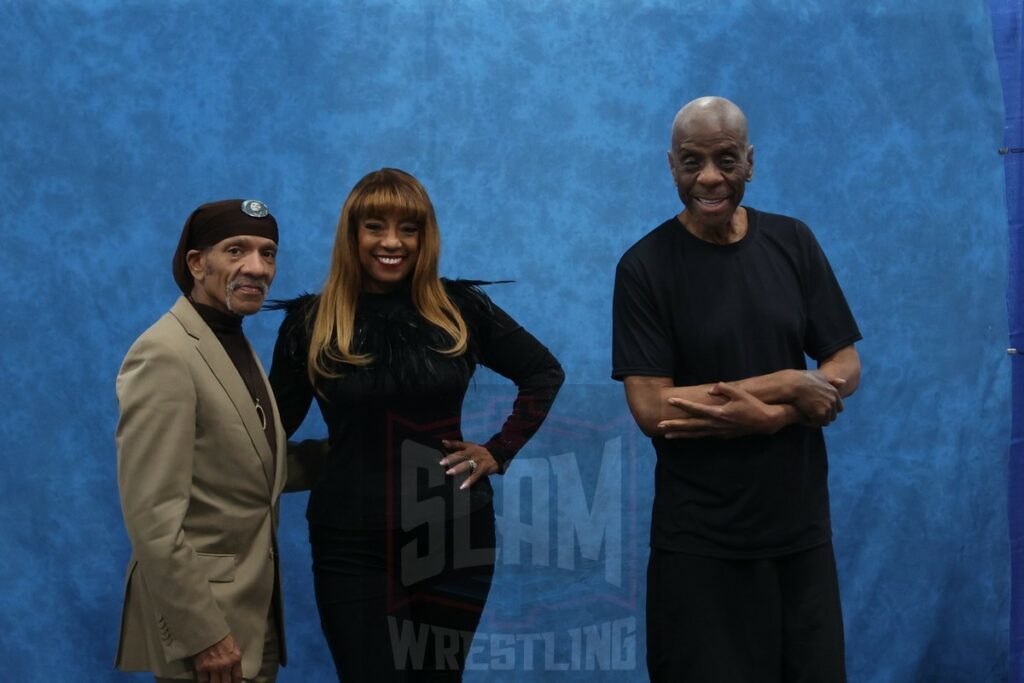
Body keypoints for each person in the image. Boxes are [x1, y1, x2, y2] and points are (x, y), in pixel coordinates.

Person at [269, 168, 565, 681]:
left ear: (425, 237)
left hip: (452, 534)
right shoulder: (310, 323)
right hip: (349, 540)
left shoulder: (460, 308)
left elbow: (543, 372)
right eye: (375, 226)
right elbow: (269, 427)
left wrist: (499, 449)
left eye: (409, 228)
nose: (392, 241)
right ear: (351, 234)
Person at [612, 97, 862, 682]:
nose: (709, 178)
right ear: (670, 165)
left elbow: (845, 363)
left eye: (726, 160)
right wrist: (785, 383)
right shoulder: (644, 268)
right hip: (701, 545)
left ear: (750, 161)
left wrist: (775, 417)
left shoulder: (793, 242)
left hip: (799, 535)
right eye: (692, 161)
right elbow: (651, 406)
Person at [115, 199, 321, 683]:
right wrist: (203, 634)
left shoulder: (229, 337)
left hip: (252, 612)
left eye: (268, 253)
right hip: (207, 627)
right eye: (236, 250)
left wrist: (359, 452)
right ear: (196, 262)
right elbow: (152, 517)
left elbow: (242, 469)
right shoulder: (164, 354)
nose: (257, 267)